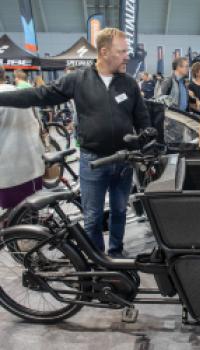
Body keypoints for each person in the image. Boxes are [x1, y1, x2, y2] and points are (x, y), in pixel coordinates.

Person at [0, 28, 150, 258]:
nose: (127, 56)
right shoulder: (79, 79)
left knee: (120, 210)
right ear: (104, 51)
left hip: (124, 160)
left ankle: (117, 253)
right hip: (93, 161)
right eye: (122, 51)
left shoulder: (129, 83)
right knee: (92, 216)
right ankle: (96, 259)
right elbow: (38, 95)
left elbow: (142, 119)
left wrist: (147, 142)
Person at [0, 66, 44, 218]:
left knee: (14, 215)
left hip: (9, 169)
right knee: (32, 208)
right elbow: (37, 121)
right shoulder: (21, 92)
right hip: (32, 162)